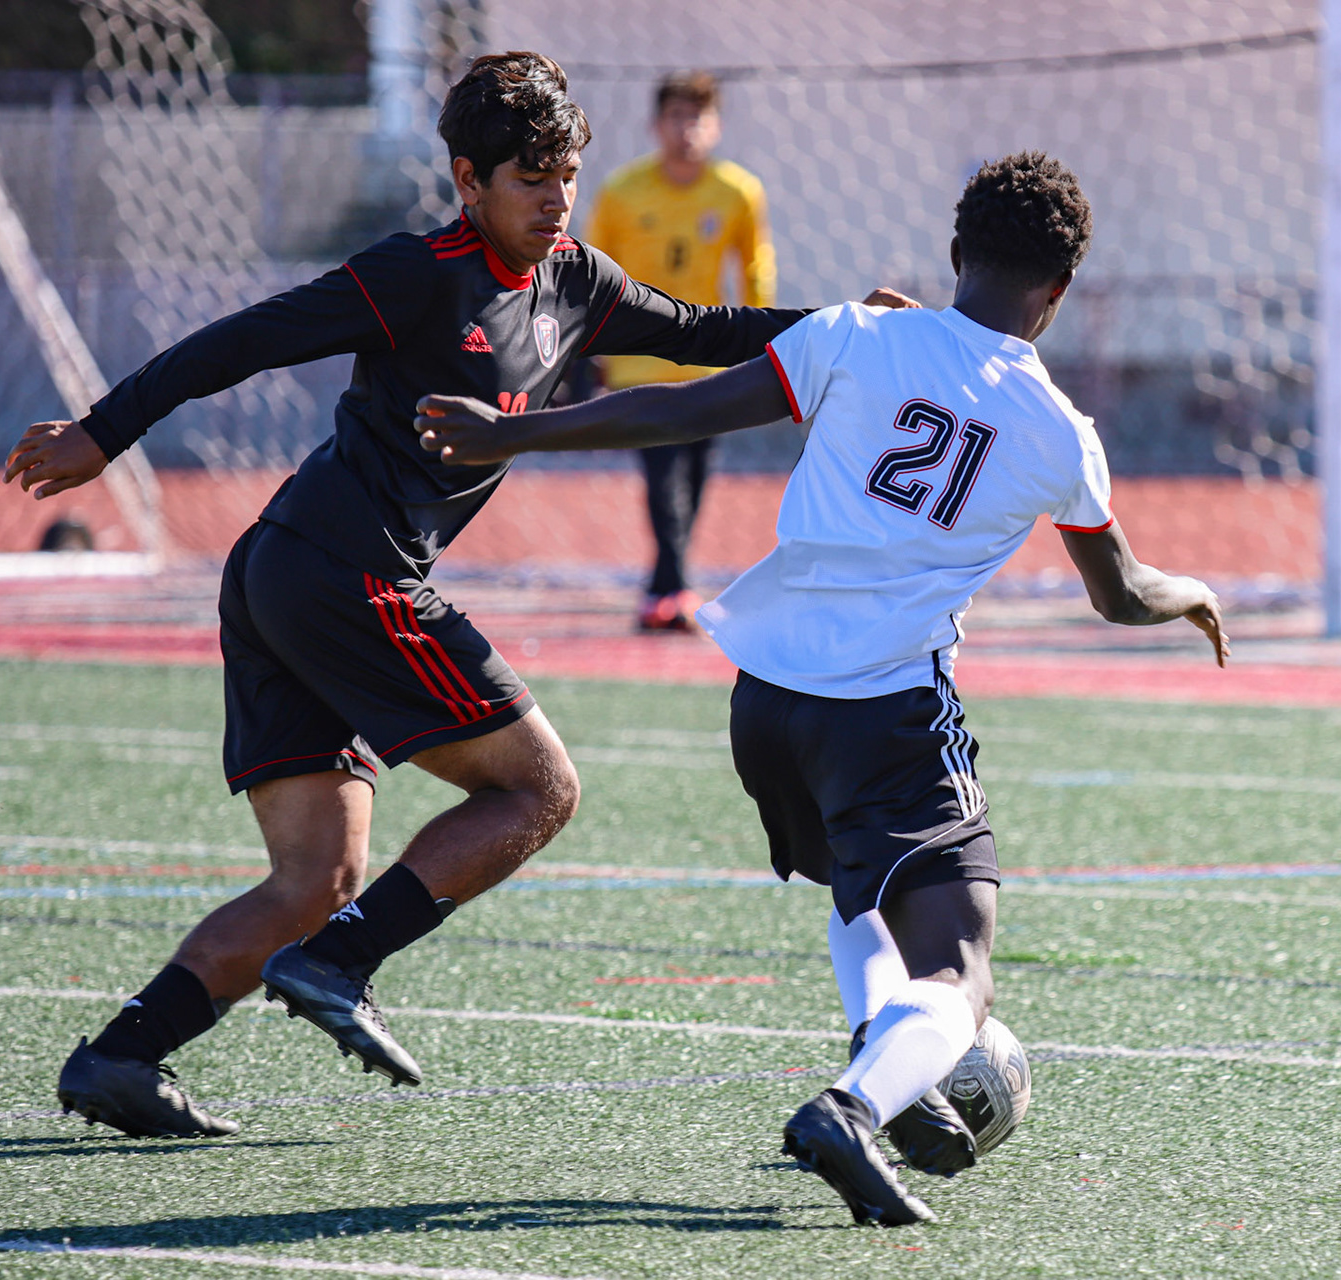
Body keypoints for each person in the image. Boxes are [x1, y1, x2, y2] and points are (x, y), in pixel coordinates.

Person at [3, 50, 911, 1140]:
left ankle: (121, 1055)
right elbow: (242, 341)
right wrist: (103, 432)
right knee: (540, 788)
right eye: (530, 177)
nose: (555, 197)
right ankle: (340, 961)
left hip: (299, 572)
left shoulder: (577, 279)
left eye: (565, 173)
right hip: (343, 571)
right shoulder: (417, 272)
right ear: (467, 180)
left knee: (317, 875)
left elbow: (704, 332)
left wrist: (854, 329)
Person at [416, 152, 1229, 1225]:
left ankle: (883, 1056)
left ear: (954, 253)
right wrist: (1191, 592)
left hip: (765, 697)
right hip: (886, 708)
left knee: (860, 885)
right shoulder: (1058, 432)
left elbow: (683, 413)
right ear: (1062, 290)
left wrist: (511, 430)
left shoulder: (855, 333)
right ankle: (855, 1103)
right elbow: (1120, 594)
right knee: (962, 972)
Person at [582, 70, 773, 632]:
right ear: (656, 124)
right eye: (676, 117)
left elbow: (756, 268)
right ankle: (674, 587)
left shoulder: (738, 191)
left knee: (694, 475)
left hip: (709, 359)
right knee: (662, 471)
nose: (687, 129)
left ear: (716, 126)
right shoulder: (622, 190)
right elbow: (591, 271)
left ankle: (664, 585)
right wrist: (589, 344)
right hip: (639, 360)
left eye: (698, 117)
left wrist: (761, 343)